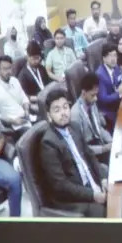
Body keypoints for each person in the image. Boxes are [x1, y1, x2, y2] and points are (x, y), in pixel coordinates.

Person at [35, 87, 108, 217]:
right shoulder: (48, 144)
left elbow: (90, 155)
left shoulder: (74, 126)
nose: (63, 113)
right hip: (71, 198)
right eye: (57, 110)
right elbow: (61, 185)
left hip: (89, 183)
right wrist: (92, 195)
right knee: (104, 212)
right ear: (49, 116)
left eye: (65, 107)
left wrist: (102, 178)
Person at [72, 71, 115, 162]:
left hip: (100, 143)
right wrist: (104, 149)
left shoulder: (92, 103)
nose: (96, 98)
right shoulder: (75, 115)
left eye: (96, 94)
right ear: (84, 93)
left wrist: (112, 141)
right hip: (90, 154)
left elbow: (99, 128)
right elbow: (82, 148)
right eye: (93, 95)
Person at [0, 54, 31, 133]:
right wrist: (12, 121)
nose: (8, 71)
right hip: (14, 125)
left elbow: (24, 97)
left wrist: (27, 110)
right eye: (5, 69)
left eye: (10, 68)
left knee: (45, 124)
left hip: (26, 117)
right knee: (34, 133)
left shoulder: (14, 80)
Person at [95, 40, 122, 131]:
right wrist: (120, 93)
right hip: (109, 111)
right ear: (104, 58)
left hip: (118, 103)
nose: (113, 59)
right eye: (110, 56)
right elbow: (103, 99)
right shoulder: (100, 75)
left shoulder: (115, 67)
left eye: (115, 55)